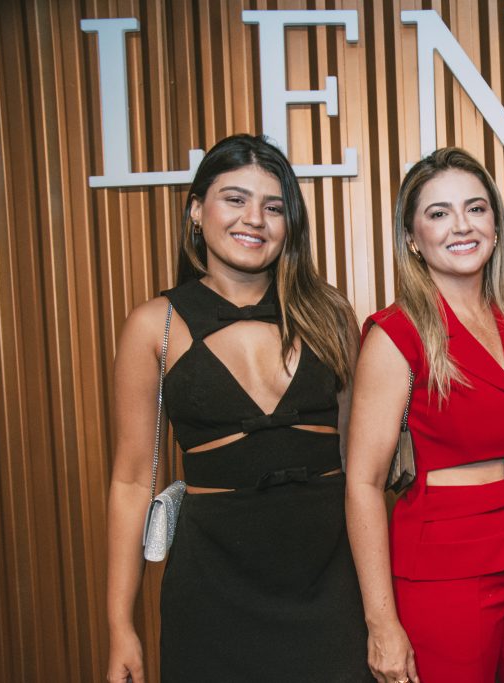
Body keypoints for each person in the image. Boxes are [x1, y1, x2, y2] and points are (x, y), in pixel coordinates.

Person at [105, 134, 373, 682]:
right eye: (235, 199)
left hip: (329, 583)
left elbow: (357, 470)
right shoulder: (153, 325)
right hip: (212, 590)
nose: (255, 219)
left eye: (273, 207)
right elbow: (131, 482)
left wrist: (380, 613)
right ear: (196, 211)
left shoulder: (330, 314)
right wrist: (120, 626)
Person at [345, 147, 504, 683]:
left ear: (496, 226)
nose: (462, 225)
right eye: (439, 213)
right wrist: (381, 623)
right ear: (412, 237)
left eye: (476, 208)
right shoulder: (396, 334)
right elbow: (363, 483)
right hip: (446, 575)